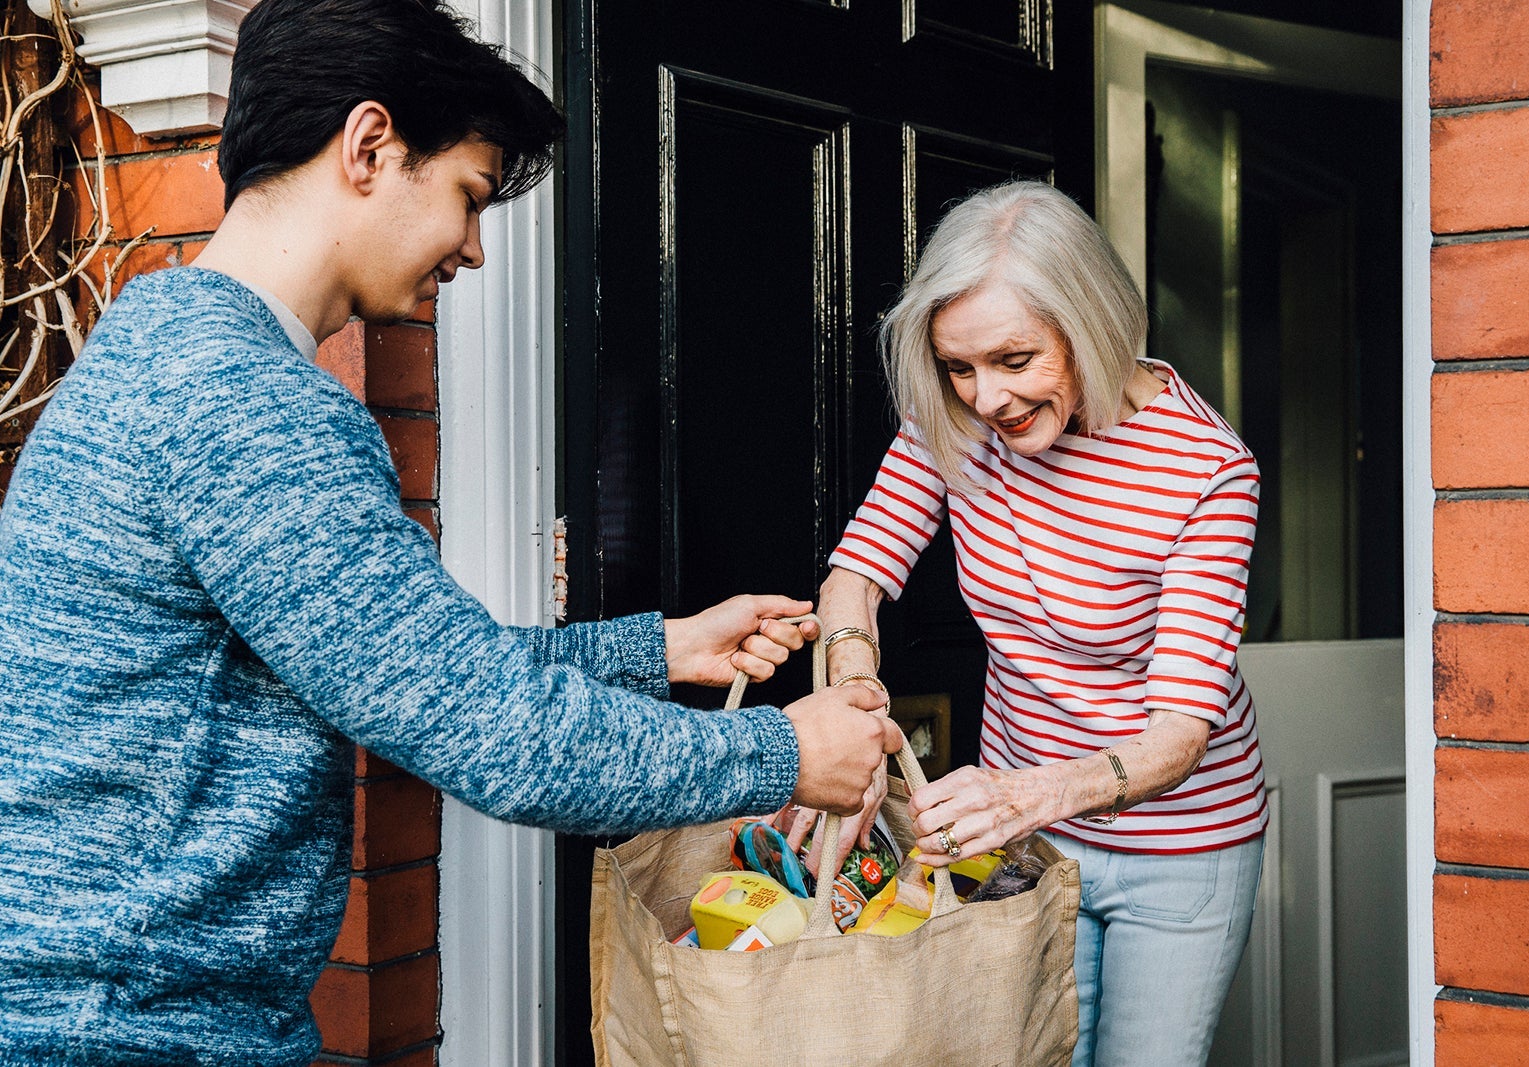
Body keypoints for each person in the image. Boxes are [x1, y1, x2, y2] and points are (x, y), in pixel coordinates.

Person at [0, 1, 899, 1063]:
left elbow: (396, 669)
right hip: (135, 1030)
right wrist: (784, 750)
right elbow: (491, 730)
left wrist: (656, 649)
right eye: (468, 196)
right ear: (369, 145)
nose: (472, 250)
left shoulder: (167, 343)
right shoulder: (244, 400)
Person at [808, 181, 1266, 1065]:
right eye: (960, 365)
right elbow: (856, 576)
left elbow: (1178, 737)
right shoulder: (952, 421)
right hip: (1024, 838)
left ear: (1090, 320)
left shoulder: (1208, 472)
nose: (986, 399)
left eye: (1015, 359)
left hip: (1178, 847)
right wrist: (854, 703)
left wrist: (1026, 794)